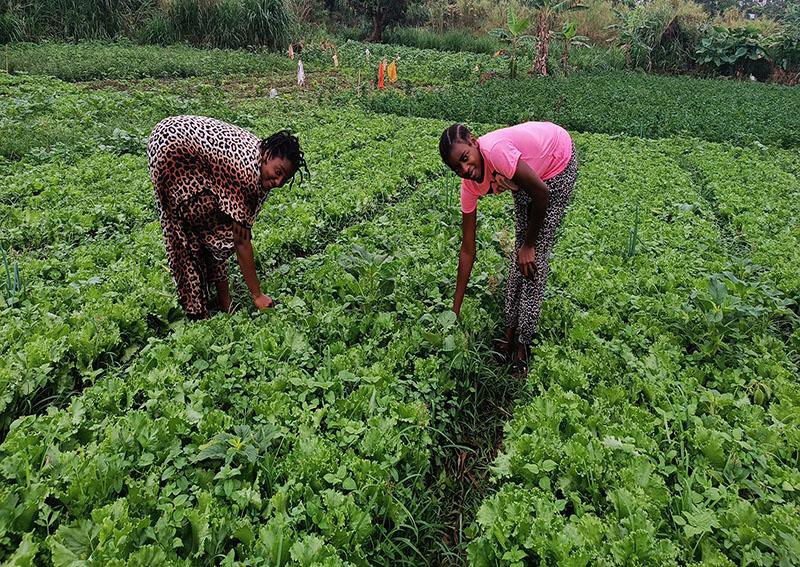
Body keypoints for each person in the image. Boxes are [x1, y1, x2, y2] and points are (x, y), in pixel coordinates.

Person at [439, 122, 578, 378]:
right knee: (519, 259)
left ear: (473, 141)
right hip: (527, 173)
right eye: (456, 168)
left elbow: (542, 195)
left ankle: (523, 347)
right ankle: (509, 333)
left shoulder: (496, 152)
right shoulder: (469, 187)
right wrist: (453, 313)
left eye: (465, 158)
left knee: (534, 259)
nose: (465, 169)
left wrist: (529, 245)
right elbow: (467, 250)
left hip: (557, 160)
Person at [147, 115, 308, 320]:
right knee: (184, 229)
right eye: (278, 172)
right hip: (171, 149)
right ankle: (196, 311)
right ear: (267, 154)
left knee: (214, 221)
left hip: (179, 142)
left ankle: (224, 301)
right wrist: (257, 295)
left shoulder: (260, 161)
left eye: (284, 179)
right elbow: (241, 240)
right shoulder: (247, 174)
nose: (278, 182)